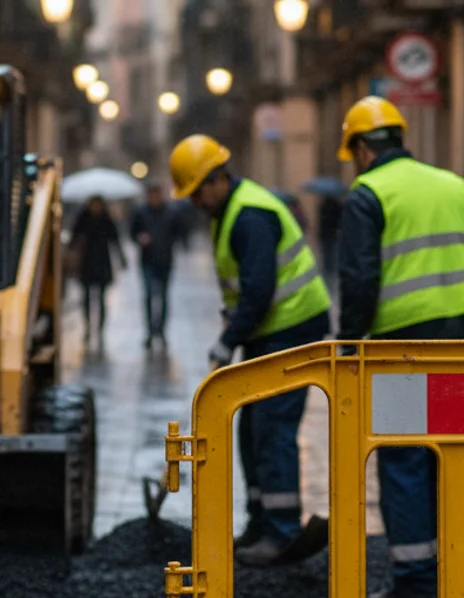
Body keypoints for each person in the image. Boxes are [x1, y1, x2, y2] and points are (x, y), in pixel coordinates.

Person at [336, 96, 464, 598]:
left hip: (402, 345)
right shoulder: (452, 184)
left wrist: (349, 340)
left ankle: (415, 588)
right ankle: (454, 577)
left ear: (363, 149)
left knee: (405, 459)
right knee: (449, 455)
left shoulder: (369, 194)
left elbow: (360, 280)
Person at [169, 134, 333, 567]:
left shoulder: (251, 216)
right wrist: (234, 330)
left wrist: (227, 340)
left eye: (197, 192)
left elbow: (259, 291)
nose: (195, 203)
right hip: (268, 331)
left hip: (291, 327)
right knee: (249, 427)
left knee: (272, 427)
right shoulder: (229, 212)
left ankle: (282, 532)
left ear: (217, 179)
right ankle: (260, 522)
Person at [71, 195, 127, 346]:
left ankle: (100, 329)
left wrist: (121, 258)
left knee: (101, 298)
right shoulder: (83, 218)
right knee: (87, 298)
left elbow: (115, 240)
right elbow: (74, 239)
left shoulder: (106, 219)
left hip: (102, 263)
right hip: (86, 263)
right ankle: (88, 327)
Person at [130, 183, 181, 349]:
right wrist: (140, 238)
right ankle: (150, 332)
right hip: (147, 261)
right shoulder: (141, 213)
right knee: (149, 296)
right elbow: (132, 233)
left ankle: (161, 331)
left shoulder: (171, 213)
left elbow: (179, 232)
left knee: (163, 297)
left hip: (165, 261)